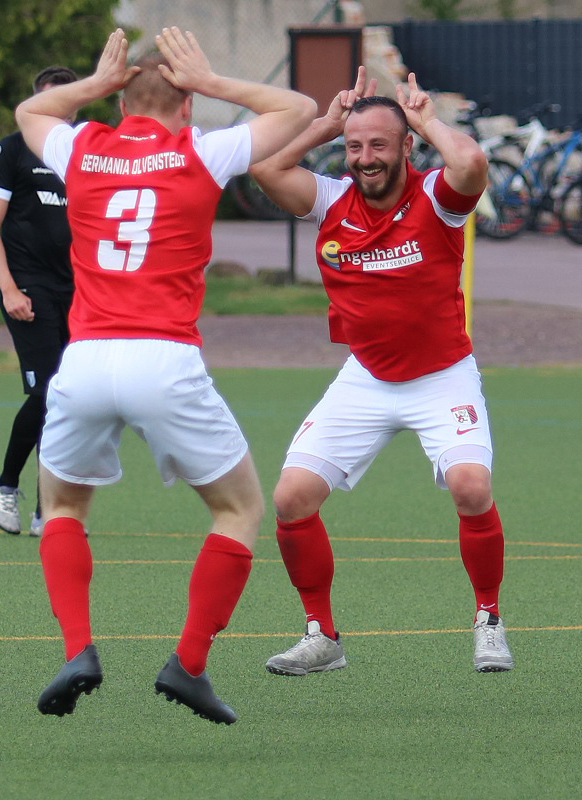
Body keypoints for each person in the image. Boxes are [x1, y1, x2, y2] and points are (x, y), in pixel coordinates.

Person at [15, 27, 316, 723]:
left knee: (63, 508)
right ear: (185, 108)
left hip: (86, 359)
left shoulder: (82, 147)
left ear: (122, 106)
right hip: (164, 357)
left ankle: (77, 649)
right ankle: (188, 664)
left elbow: (31, 111)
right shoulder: (199, 151)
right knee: (238, 510)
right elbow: (299, 109)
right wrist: (211, 82)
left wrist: (95, 84)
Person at [250, 69, 514, 677]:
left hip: (441, 375)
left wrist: (428, 120)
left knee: (471, 487)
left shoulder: (436, 198)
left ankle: (489, 620)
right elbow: (265, 170)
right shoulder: (331, 200)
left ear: (406, 148)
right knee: (291, 499)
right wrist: (325, 125)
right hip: (365, 377)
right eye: (355, 146)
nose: (365, 157)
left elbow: (472, 162)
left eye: (379, 144)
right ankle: (322, 637)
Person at [0, 66, 78, 537]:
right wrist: (8, 288)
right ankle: (5, 483)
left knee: (71, 396)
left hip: (77, 292)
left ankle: (47, 509)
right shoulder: (11, 150)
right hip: (27, 288)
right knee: (46, 392)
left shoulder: (84, 152)